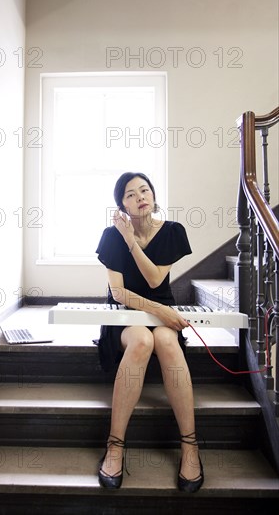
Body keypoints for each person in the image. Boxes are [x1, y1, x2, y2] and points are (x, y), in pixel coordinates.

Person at [95, 172, 204, 493]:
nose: (140, 196)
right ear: (121, 206)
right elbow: (118, 293)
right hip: (125, 316)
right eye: (130, 194)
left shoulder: (172, 231)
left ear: (154, 196)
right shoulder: (112, 235)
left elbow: (156, 281)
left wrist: (162, 314)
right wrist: (128, 239)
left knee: (167, 341)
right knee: (143, 338)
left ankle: (190, 446)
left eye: (145, 190)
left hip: (162, 312)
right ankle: (115, 445)